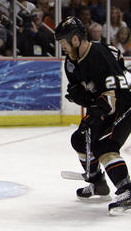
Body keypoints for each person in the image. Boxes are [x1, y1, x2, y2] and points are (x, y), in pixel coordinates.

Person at [54, 16, 131, 214]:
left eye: (64, 42)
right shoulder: (71, 62)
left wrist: (96, 111)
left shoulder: (98, 54)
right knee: (80, 140)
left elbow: (113, 92)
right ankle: (98, 183)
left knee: (104, 145)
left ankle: (127, 190)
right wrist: (81, 96)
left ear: (76, 39)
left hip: (123, 106)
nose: (62, 46)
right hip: (102, 106)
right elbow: (83, 89)